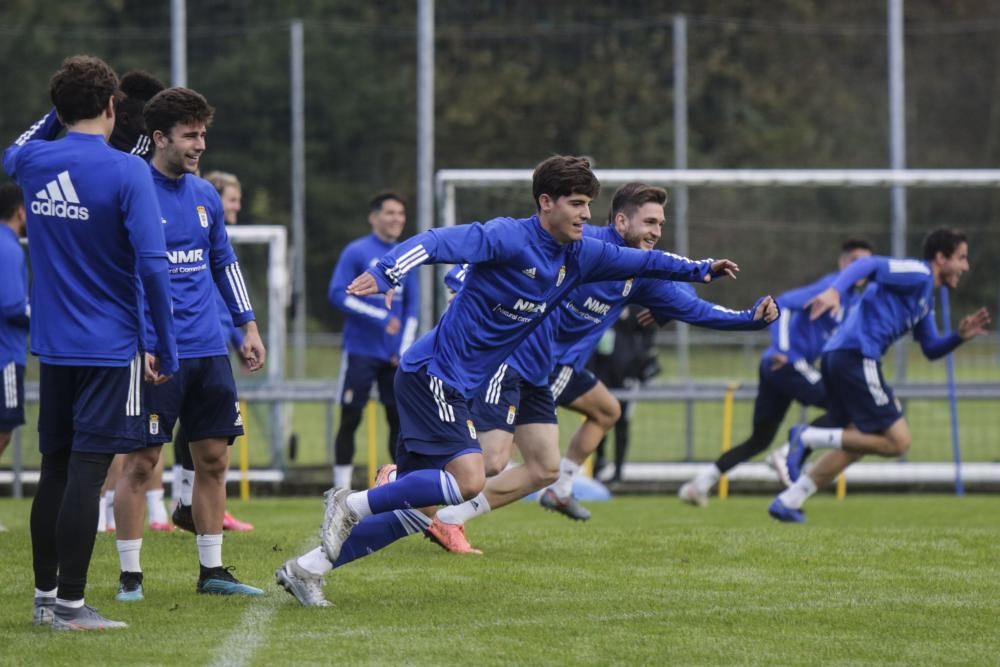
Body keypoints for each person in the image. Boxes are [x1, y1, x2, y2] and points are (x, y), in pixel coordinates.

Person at [275, 156, 739, 606]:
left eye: (588, 204)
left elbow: (644, 263)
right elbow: (436, 241)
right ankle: (351, 503)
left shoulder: (580, 255)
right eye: (577, 203)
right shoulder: (507, 237)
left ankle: (307, 570)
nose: (586, 214)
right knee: (472, 478)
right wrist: (386, 270)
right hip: (432, 373)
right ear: (545, 202)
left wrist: (701, 269)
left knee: (419, 511)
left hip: (458, 384)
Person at [422, 183, 776, 554]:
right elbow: (492, 247)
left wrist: (750, 320)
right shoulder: (578, 243)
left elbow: (694, 307)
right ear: (621, 220)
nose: (657, 231)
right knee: (492, 461)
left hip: (541, 373)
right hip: (510, 361)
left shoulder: (639, 274)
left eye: (661, 224)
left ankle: (450, 519)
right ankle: (403, 475)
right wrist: (460, 282)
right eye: (650, 222)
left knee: (545, 468)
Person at [4, 55, 178, 631]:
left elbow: (19, 146)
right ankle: (73, 607)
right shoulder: (128, 172)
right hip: (110, 347)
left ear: (57, 109)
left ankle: (44, 597)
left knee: (54, 470)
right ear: (112, 109)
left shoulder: (31, 160)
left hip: (52, 346)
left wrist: (57, 113)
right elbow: (154, 269)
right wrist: (166, 346)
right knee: (86, 470)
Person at [112, 86, 266, 602]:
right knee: (140, 462)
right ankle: (130, 577)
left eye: (203, 134)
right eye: (189, 136)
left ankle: (212, 571)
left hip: (207, 352)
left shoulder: (205, 196)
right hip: (154, 352)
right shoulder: (132, 190)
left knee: (214, 459)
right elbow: (122, 275)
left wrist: (248, 325)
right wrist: (141, 340)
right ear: (159, 138)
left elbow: (225, 263)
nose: (199, 145)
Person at [769, 229, 990, 523]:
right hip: (856, 356)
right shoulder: (919, 273)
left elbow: (931, 349)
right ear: (940, 258)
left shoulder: (924, 300)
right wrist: (835, 291)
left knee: (859, 441)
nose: (966, 266)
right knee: (899, 442)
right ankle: (805, 436)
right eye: (961, 258)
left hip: (842, 357)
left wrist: (959, 337)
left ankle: (789, 500)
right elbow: (867, 265)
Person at [679, 240, 873, 507]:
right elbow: (782, 304)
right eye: (855, 263)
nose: (861, 270)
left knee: (759, 440)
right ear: (843, 264)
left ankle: (698, 485)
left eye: (867, 265)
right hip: (787, 363)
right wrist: (783, 347)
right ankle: (787, 453)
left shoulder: (854, 300)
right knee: (849, 407)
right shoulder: (831, 286)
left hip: (776, 367)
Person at [171, 169, 254, 533]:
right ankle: (182, 503)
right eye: (233, 198)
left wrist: (241, 334)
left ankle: (190, 504)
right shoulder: (193, 230)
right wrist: (238, 336)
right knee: (186, 433)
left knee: (205, 434)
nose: (238, 205)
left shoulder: (214, 234)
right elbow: (217, 298)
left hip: (212, 342)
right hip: (194, 341)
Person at [326, 192, 418, 489]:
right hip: (360, 352)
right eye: (390, 213)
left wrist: (403, 351)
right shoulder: (356, 252)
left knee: (399, 422)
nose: (397, 219)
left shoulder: (405, 255)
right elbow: (338, 294)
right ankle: (340, 490)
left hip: (394, 357)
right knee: (351, 417)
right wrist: (378, 318)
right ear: (374, 218)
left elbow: (412, 309)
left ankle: (399, 487)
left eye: (401, 214)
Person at [589, 303, 660, 482]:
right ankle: (599, 461)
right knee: (598, 418)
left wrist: (642, 361)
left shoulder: (637, 307)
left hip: (626, 373)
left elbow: (649, 332)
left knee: (622, 421)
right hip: (601, 372)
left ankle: (619, 469)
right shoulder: (602, 301)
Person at [0, 183, 28, 533]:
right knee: (3, 430)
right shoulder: (9, 248)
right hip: (5, 356)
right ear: (21, 211)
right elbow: (10, 305)